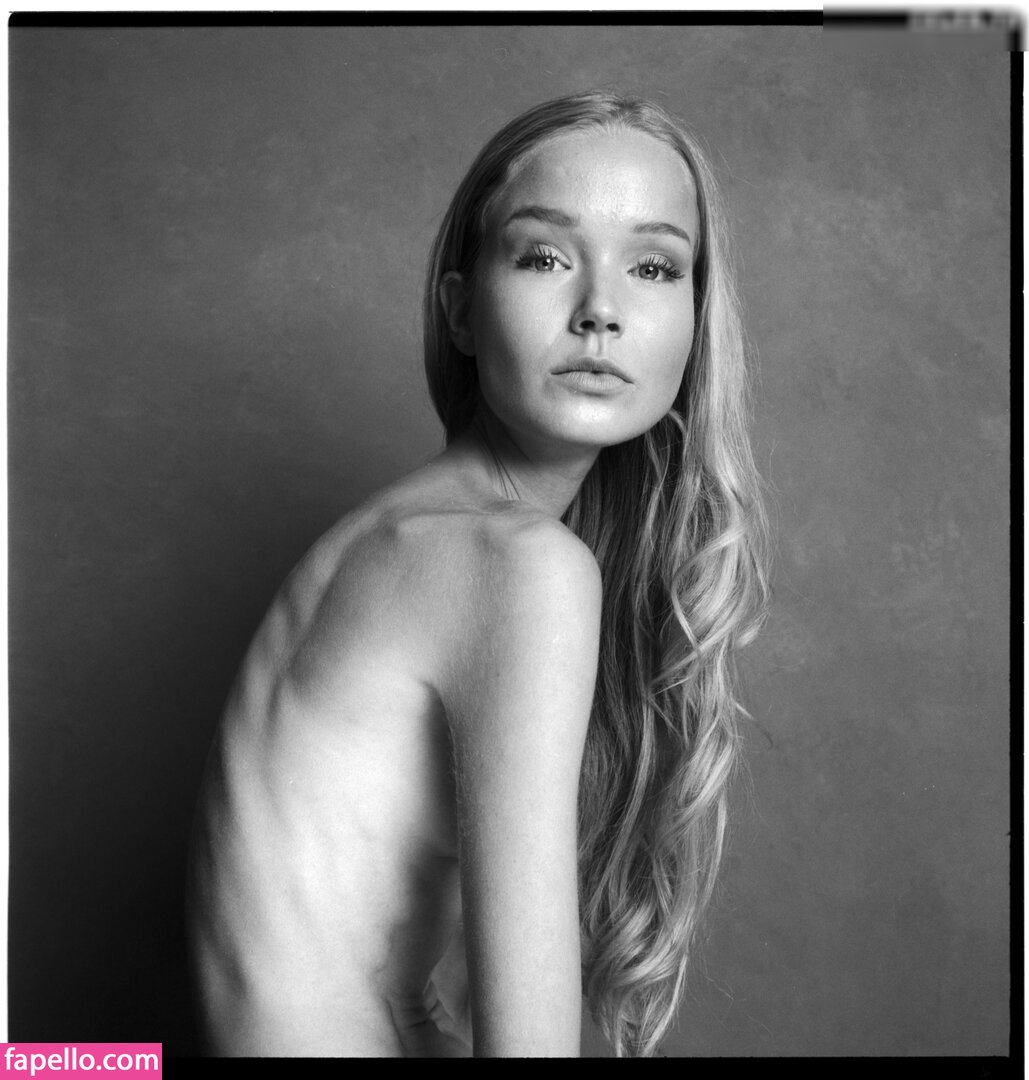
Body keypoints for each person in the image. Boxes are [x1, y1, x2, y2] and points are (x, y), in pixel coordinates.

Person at [186, 89, 769, 1059]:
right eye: (543, 257)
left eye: (653, 266)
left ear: (696, 320)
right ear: (460, 310)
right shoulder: (515, 566)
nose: (600, 311)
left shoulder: (398, 536)